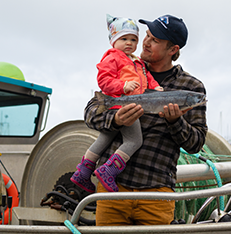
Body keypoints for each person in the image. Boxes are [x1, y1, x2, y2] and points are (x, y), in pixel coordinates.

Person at [84, 14, 208, 226]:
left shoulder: (191, 87)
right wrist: (115, 119)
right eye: (147, 36)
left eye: (155, 40)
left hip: (157, 193)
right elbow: (91, 111)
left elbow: (196, 143)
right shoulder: (126, 67)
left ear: (173, 50)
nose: (146, 42)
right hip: (113, 189)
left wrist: (176, 122)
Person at [71, 14, 162, 194]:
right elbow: (103, 81)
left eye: (133, 39)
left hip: (126, 105)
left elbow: (147, 78)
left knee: (105, 138)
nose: (129, 43)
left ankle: (83, 170)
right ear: (113, 41)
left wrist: (156, 87)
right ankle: (108, 171)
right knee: (134, 140)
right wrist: (123, 86)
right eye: (124, 38)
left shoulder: (137, 62)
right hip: (124, 106)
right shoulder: (113, 58)